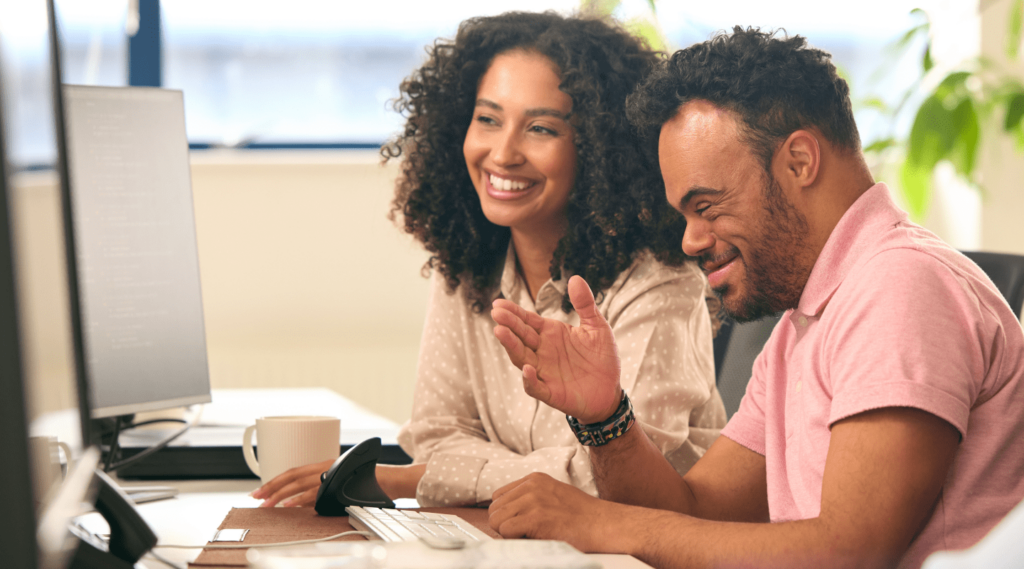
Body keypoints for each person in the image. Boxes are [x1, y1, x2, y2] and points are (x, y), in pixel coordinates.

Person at [487, 27, 1024, 569]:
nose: (690, 240)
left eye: (708, 206)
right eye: (684, 215)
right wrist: (606, 418)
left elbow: (850, 552)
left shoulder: (900, 285)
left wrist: (601, 523)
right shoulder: (807, 316)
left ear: (798, 161)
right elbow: (696, 511)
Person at [250, 11, 726, 509]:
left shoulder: (659, 284)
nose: (502, 153)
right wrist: (463, 472)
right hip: (513, 538)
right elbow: (436, 435)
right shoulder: (467, 263)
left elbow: (610, 475)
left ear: (600, 149)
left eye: (540, 128)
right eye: (488, 119)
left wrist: (410, 480)